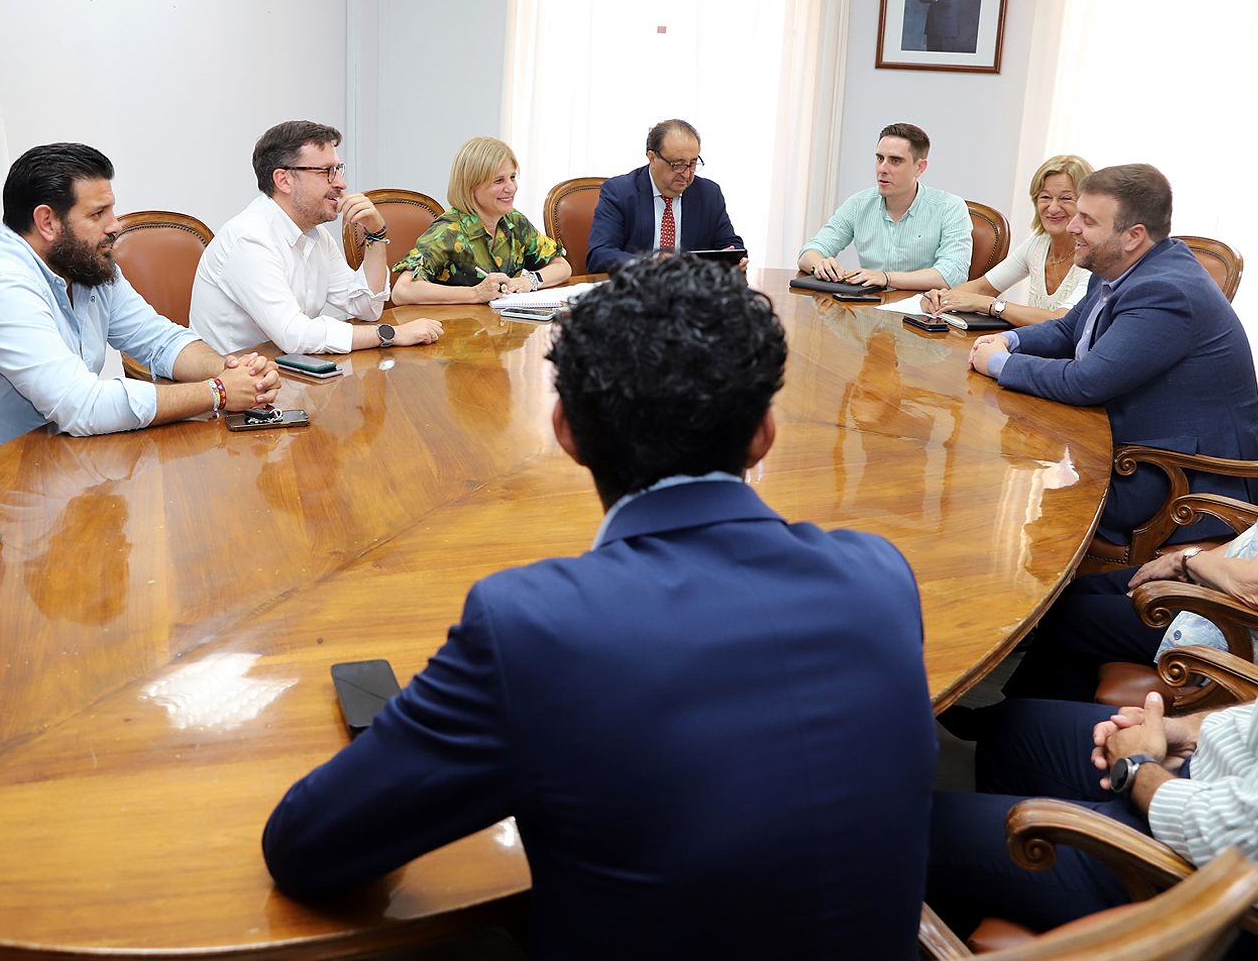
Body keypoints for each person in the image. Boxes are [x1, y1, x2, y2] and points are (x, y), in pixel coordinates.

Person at [262, 257, 936, 958]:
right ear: (765, 431)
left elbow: (306, 848)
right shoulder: (881, 575)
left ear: (566, 431)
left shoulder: (533, 626)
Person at [928, 298, 1258, 953]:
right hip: (1207, 781)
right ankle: (1013, 894)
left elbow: (1244, 845)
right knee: (1017, 733)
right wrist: (1179, 728)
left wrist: (1141, 771)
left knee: (906, 828)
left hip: (1191, 884)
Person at [986, 283, 1258, 704]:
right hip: (1229, 581)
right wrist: (1195, 564)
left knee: (1074, 618)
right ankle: (1041, 711)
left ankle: (1028, 729)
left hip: (1245, 628)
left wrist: (1191, 561)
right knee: (1077, 595)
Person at [0, 143, 279, 470]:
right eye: (98, 214)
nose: (115, 226)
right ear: (47, 221)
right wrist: (218, 392)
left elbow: (159, 342)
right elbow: (81, 406)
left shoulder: (85, 265)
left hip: (50, 463)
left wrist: (232, 370)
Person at [968, 164, 1258, 544]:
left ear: (1133, 236)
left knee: (999, 491)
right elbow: (1069, 329)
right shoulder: (1115, 266)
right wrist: (1009, 342)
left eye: (1087, 220)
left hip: (1176, 479)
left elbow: (1086, 382)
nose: (1072, 226)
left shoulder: (1166, 292)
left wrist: (997, 364)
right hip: (1125, 443)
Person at [191, 120, 443, 355]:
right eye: (327, 172)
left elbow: (367, 307)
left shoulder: (316, 235)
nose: (342, 183)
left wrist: (376, 237)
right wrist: (391, 334)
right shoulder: (249, 239)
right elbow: (295, 336)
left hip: (287, 374)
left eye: (338, 170)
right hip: (234, 390)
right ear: (284, 180)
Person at [390, 136, 572, 304]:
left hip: (504, 331)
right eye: (499, 181)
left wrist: (528, 281)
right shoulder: (449, 231)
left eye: (512, 177)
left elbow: (562, 266)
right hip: (457, 333)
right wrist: (476, 293)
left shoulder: (514, 221)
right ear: (471, 186)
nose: (511, 188)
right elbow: (402, 290)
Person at [921, 155, 1095, 325]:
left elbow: (1062, 320)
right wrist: (937, 297)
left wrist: (990, 304)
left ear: (1086, 203)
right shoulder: (1038, 244)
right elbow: (983, 287)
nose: (1053, 207)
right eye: (1045, 197)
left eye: (1066, 198)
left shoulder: (1094, 256)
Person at [797, 122, 972, 291]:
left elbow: (953, 274)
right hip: (867, 311)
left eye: (895, 161)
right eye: (880, 158)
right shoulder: (859, 204)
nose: (882, 168)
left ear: (920, 167)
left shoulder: (950, 207)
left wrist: (886, 278)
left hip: (922, 313)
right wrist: (820, 265)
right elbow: (809, 252)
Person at [584, 119, 743, 273]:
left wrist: (734, 257)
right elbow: (599, 255)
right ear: (652, 158)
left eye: (693, 164)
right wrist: (652, 264)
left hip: (691, 293)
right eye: (678, 165)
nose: (687, 174)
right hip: (638, 290)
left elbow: (729, 243)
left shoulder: (708, 194)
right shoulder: (620, 192)